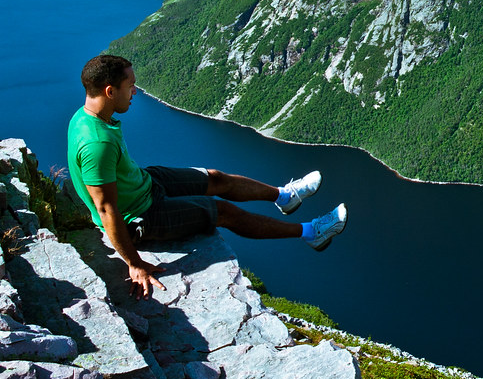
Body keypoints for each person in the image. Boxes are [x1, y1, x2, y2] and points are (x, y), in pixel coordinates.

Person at [67, 54, 348, 300]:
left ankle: (285, 196)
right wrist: (135, 263)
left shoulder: (86, 117)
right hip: (140, 216)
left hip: (143, 185)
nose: (135, 91)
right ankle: (311, 232)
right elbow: (106, 210)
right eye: (130, 85)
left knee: (215, 178)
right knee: (223, 212)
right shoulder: (97, 144)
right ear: (110, 91)